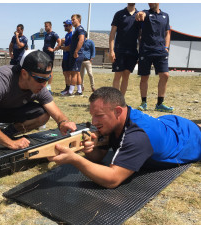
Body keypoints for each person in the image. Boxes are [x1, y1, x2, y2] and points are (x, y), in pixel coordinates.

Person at [48, 87, 201, 189]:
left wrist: (75, 159)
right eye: (92, 116)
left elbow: (112, 179)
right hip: (168, 122)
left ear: (118, 111)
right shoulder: (114, 121)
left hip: (189, 138)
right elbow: (98, 157)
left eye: (99, 116)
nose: (94, 122)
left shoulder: (137, 138)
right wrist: (88, 149)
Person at [0, 50, 77, 150]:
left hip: (5, 109)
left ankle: (6, 133)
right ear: (24, 74)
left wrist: (63, 122)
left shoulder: (39, 86)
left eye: (47, 79)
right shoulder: (1, 79)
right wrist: (11, 144)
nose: (44, 84)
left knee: (44, 115)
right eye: (40, 79)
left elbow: (54, 111)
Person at [136, 3, 173, 112]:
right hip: (146, 50)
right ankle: (143, 103)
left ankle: (160, 104)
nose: (150, 2)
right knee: (144, 77)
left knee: (165, 75)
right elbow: (140, 14)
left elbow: (167, 33)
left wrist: (166, 47)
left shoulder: (165, 15)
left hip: (161, 51)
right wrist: (140, 13)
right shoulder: (145, 13)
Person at [109, 3, 140, 96]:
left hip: (132, 51)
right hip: (119, 50)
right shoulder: (119, 14)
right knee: (117, 75)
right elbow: (112, 33)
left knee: (126, 76)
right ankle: (115, 100)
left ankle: (121, 100)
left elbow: (141, 35)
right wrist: (111, 50)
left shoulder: (139, 15)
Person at [66, 14, 85, 96]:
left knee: (73, 73)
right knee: (77, 73)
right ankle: (79, 91)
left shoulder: (80, 29)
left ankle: (70, 92)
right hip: (76, 53)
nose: (72, 21)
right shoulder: (76, 30)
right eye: (72, 20)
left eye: (73, 20)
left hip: (77, 54)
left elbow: (81, 40)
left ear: (78, 20)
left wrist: (76, 51)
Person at [43, 21, 61, 94]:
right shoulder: (46, 34)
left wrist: (54, 49)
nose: (45, 27)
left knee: (49, 70)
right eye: (45, 26)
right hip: (44, 54)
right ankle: (44, 86)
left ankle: (49, 86)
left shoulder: (54, 34)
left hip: (50, 55)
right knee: (44, 70)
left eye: (46, 26)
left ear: (50, 26)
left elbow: (59, 41)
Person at [60, 19, 73, 96]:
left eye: (66, 25)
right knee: (65, 73)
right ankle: (67, 87)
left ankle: (70, 88)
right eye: (64, 25)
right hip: (65, 56)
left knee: (69, 73)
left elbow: (69, 47)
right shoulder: (67, 35)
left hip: (69, 56)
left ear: (71, 26)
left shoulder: (72, 35)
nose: (64, 27)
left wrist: (61, 47)